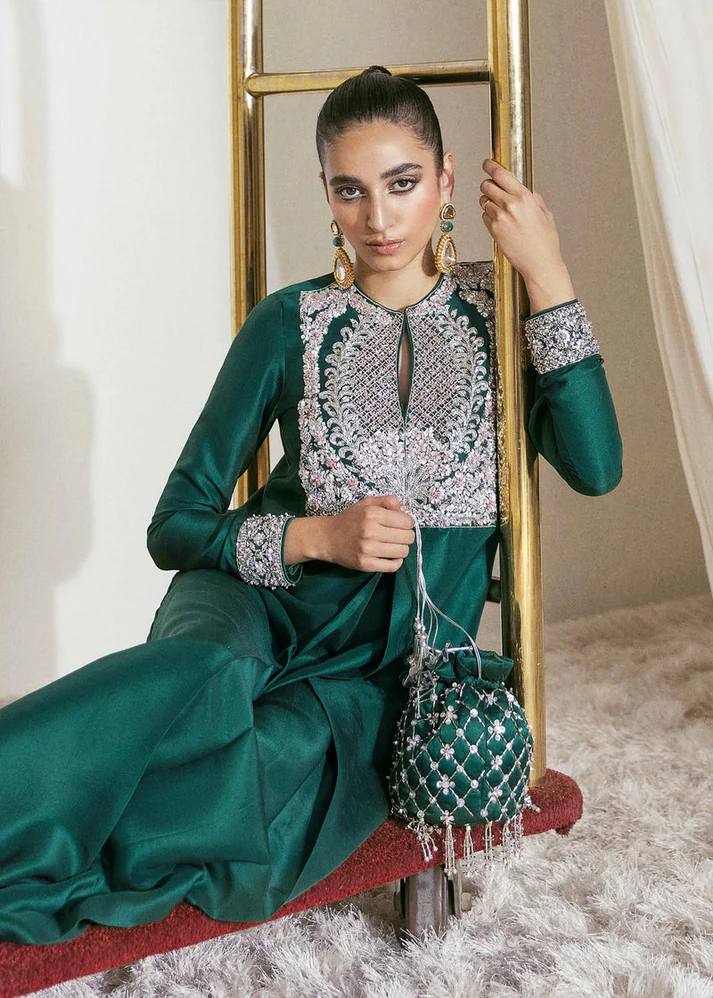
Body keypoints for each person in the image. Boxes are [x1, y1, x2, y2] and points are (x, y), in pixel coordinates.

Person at [0, 65, 622, 946]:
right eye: (350, 190)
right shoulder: (287, 321)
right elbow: (174, 525)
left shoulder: (505, 314)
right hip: (251, 603)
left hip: (376, 668)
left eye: (401, 183)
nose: (378, 218)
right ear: (326, 195)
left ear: (446, 180)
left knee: (265, 759)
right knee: (203, 679)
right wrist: (315, 536)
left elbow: (597, 469)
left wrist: (548, 273)